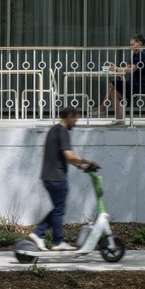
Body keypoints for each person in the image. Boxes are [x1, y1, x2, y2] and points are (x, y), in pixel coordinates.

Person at [28, 105, 100, 252]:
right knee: (59, 210)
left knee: (57, 209)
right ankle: (55, 241)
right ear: (70, 116)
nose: (76, 123)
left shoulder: (53, 130)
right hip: (57, 177)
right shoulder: (63, 131)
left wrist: (81, 167)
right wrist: (87, 161)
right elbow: (68, 155)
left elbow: (63, 157)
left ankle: (38, 234)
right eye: (75, 120)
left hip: (48, 177)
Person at [106, 34, 145, 122]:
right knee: (114, 92)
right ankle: (120, 119)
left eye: (133, 44)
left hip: (140, 85)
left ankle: (102, 109)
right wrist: (116, 68)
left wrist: (116, 69)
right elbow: (127, 69)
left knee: (112, 84)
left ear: (140, 44)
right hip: (134, 84)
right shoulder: (136, 55)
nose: (131, 47)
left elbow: (131, 70)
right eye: (130, 45)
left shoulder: (141, 55)